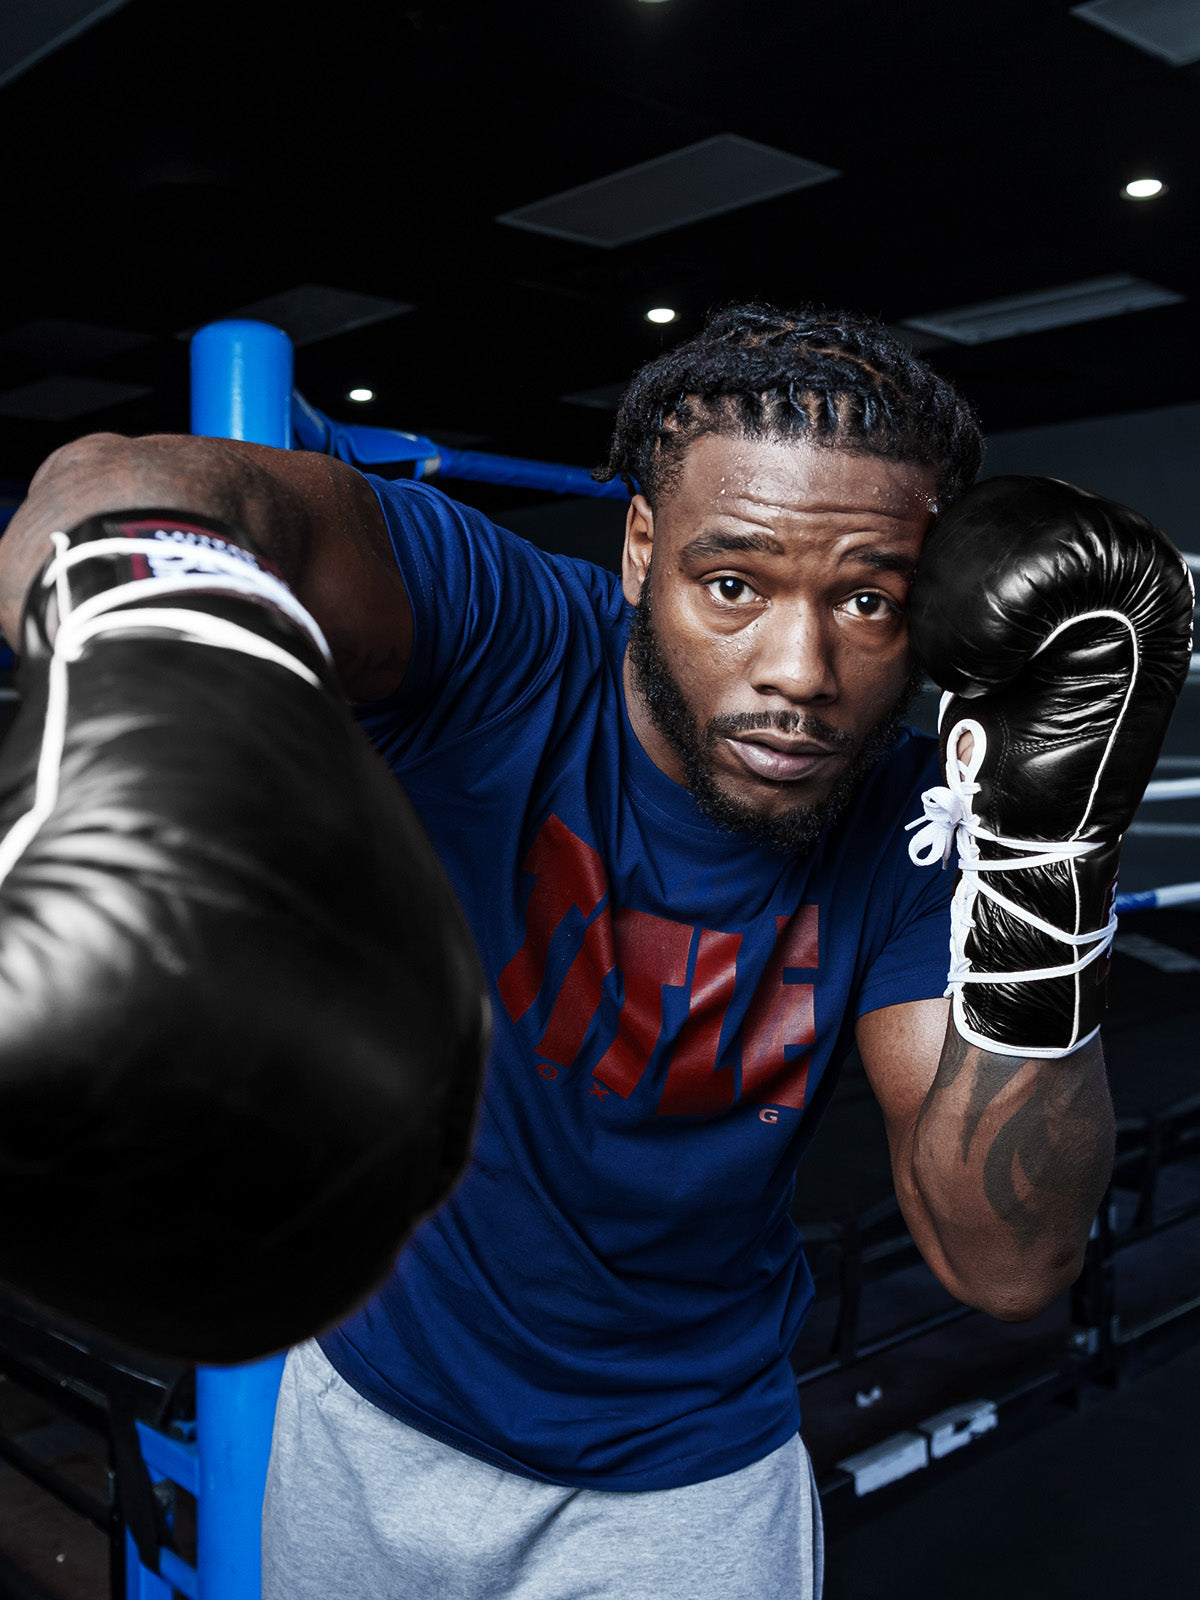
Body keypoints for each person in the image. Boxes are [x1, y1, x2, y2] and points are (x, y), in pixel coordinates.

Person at [0, 303, 1189, 1599]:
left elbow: (1006, 1264)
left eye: (867, 601)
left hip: (689, 1492)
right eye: (732, 583)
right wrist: (155, 695)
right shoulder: (501, 635)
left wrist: (1048, 869)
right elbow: (116, 484)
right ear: (640, 549)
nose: (799, 671)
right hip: (373, 1426)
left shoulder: (912, 821)